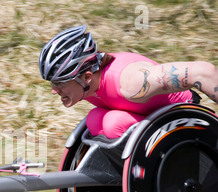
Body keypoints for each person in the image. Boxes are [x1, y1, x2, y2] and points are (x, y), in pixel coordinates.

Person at [39, 25, 218, 139]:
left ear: (86, 77)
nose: (54, 91)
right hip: (149, 116)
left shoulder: (133, 82)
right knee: (95, 121)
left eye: (60, 83)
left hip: (185, 119)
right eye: (52, 83)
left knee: (113, 124)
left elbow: (204, 72)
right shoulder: (87, 84)